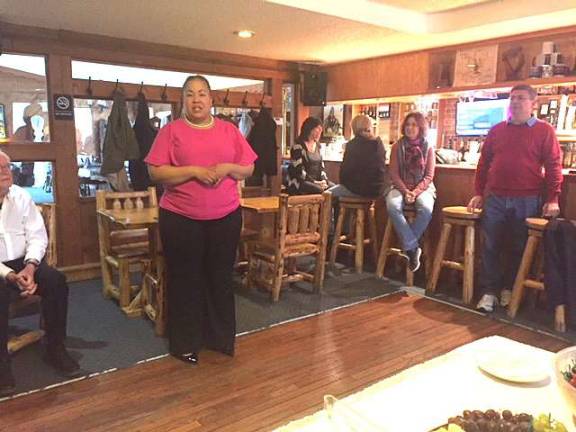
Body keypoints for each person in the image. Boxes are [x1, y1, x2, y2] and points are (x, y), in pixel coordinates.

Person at [145, 75, 256, 366]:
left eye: (202, 94)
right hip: (181, 219)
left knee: (220, 278)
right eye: (191, 94)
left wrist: (228, 167)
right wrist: (193, 170)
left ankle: (219, 338)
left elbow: (248, 168)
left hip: (226, 217)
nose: (197, 100)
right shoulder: (170, 131)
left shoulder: (229, 130)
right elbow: (156, 173)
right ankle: (186, 343)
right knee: (186, 280)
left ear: (211, 99)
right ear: (183, 100)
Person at [468, 84, 562, 313]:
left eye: (521, 98)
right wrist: (479, 193)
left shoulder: (545, 130)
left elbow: (553, 166)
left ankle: (510, 289)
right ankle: (489, 291)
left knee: (518, 247)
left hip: (527, 198)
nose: (515, 102)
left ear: (533, 104)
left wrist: (553, 198)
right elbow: (483, 165)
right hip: (496, 197)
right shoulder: (497, 130)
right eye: (512, 99)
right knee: (490, 246)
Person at [0, 151, 80, 397]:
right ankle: (1, 361)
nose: (5, 171)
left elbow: (37, 235)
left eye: (7, 166)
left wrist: (31, 267)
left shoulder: (21, 196)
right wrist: (9, 275)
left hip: (24, 261)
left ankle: (55, 347)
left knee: (57, 281)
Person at [385, 112, 436, 272]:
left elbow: (429, 176)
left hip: (423, 188)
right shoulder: (397, 147)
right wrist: (406, 191)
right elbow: (393, 174)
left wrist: (415, 192)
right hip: (400, 186)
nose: (410, 128)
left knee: (426, 209)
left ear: (420, 127)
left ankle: (408, 247)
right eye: (407, 124)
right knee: (392, 205)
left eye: (414, 124)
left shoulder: (428, 147)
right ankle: (413, 248)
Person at [287, 117, 333, 195]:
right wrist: (315, 182)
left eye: (321, 129)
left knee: (334, 190)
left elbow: (321, 168)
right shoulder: (298, 147)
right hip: (300, 182)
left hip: (317, 181)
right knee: (322, 192)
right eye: (318, 129)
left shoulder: (318, 146)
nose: (320, 132)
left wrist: (324, 180)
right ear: (310, 129)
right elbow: (299, 171)